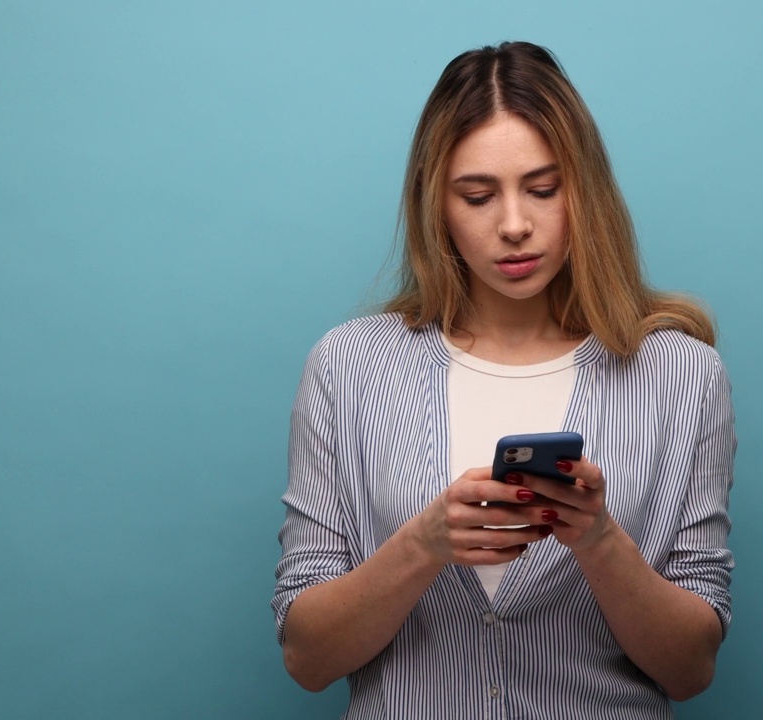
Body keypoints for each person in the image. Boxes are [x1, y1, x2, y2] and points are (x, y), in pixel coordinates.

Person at [272, 41, 735, 719]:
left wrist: (598, 540)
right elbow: (307, 659)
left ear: (586, 190)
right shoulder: (347, 368)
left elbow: (691, 668)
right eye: (478, 195)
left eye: (544, 189)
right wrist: (424, 544)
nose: (515, 225)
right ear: (438, 204)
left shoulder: (684, 376)